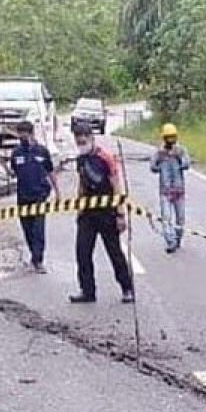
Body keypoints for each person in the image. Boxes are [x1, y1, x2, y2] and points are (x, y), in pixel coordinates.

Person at [69, 121, 135, 304]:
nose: (81, 143)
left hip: (107, 213)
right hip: (88, 214)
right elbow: (82, 183)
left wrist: (121, 214)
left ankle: (127, 288)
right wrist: (79, 207)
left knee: (114, 252)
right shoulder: (80, 159)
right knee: (82, 252)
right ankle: (87, 291)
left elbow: (116, 185)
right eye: (78, 140)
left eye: (84, 140)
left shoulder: (105, 157)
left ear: (91, 138)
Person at [0, 121, 59, 274]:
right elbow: (13, 174)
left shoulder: (42, 152)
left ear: (32, 134)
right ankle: (34, 256)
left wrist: (57, 192)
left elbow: (50, 172)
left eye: (25, 134)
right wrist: (4, 166)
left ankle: (38, 260)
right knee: (27, 229)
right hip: (23, 196)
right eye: (20, 134)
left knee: (38, 229)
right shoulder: (16, 153)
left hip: (40, 195)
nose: (23, 137)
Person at [150, 122, 191, 253]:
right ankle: (170, 240)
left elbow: (187, 163)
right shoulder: (159, 152)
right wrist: (159, 163)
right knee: (166, 217)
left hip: (179, 190)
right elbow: (152, 167)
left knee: (180, 218)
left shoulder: (181, 150)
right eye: (168, 137)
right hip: (165, 191)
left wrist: (179, 159)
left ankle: (178, 238)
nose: (171, 140)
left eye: (173, 137)